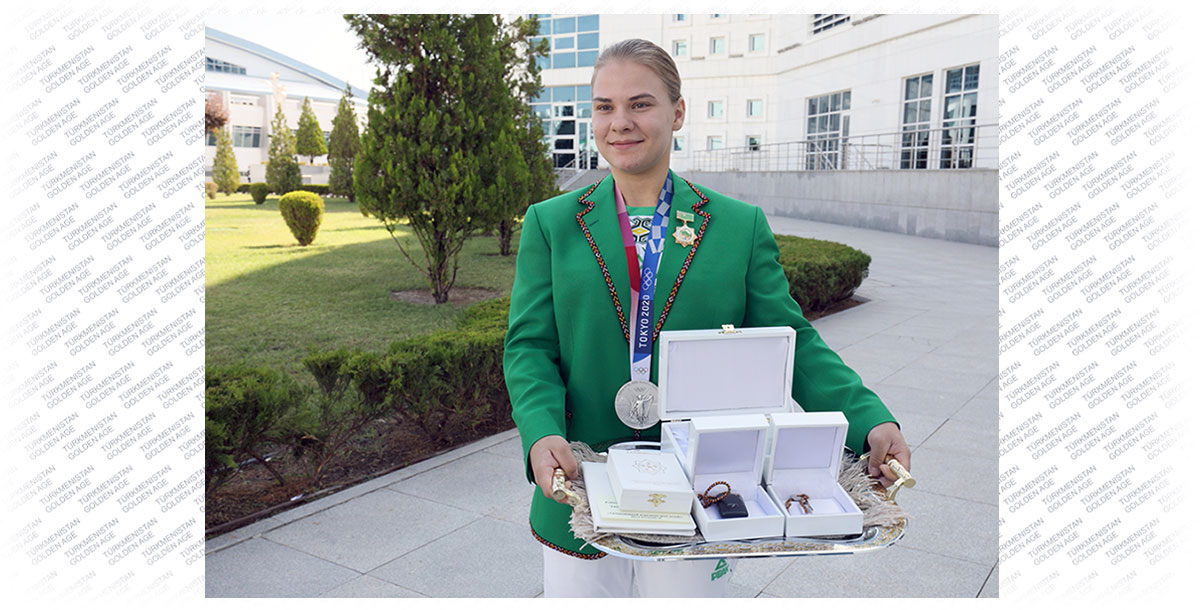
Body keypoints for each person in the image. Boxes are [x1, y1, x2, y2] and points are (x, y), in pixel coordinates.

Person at [504, 39, 911, 598]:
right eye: (604, 107)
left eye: (640, 104)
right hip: (582, 487)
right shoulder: (551, 224)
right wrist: (541, 431)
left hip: (704, 493)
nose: (619, 123)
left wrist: (870, 420)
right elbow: (530, 346)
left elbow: (792, 343)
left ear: (678, 112)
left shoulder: (736, 226)